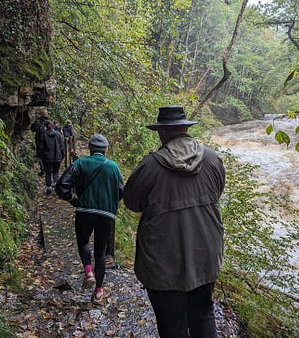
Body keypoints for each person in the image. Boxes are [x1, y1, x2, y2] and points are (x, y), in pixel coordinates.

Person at [123, 105, 225, 338]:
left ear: (161, 132)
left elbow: (132, 202)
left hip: (163, 263)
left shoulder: (150, 165)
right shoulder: (212, 159)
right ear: (187, 128)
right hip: (206, 257)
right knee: (203, 313)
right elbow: (217, 193)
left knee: (172, 324)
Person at [69, 134, 124, 304]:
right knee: (100, 251)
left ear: (90, 148)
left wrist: (73, 200)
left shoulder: (80, 163)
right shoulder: (114, 167)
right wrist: (111, 203)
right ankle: (99, 291)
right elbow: (121, 191)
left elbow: (62, 185)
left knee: (83, 242)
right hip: (106, 215)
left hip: (85, 211)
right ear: (106, 150)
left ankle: (88, 272)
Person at [39, 120, 65, 195]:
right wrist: (62, 155)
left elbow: (41, 147)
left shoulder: (43, 135)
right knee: (56, 171)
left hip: (46, 157)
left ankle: (49, 187)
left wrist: (40, 155)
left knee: (48, 172)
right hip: (57, 156)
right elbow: (62, 146)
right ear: (53, 126)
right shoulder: (59, 135)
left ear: (46, 126)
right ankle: (56, 185)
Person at [30, 108, 50, 176]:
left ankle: (43, 170)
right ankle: (47, 170)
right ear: (45, 114)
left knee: (40, 156)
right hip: (48, 143)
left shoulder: (37, 122)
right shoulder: (49, 122)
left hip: (39, 142)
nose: (47, 114)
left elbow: (32, 129)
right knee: (47, 156)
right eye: (47, 113)